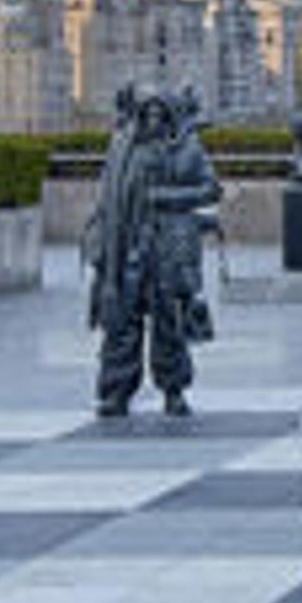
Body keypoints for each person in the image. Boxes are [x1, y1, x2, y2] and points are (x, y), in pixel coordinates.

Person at [82, 83, 220, 417]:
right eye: (148, 113)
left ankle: (174, 390)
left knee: (169, 322)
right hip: (126, 247)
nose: (154, 119)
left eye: (161, 113)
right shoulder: (122, 147)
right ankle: (116, 392)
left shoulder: (187, 148)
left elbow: (211, 189)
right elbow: (106, 198)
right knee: (120, 324)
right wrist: (100, 240)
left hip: (168, 250)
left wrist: (168, 199)